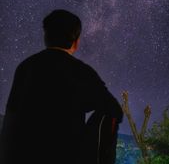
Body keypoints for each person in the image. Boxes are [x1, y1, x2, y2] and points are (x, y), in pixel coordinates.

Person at [0, 9, 123, 163]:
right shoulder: (81, 72)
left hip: (19, 158)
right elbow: (115, 110)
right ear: (76, 42)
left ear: (46, 37)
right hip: (65, 157)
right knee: (110, 114)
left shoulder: (25, 67)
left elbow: (11, 117)